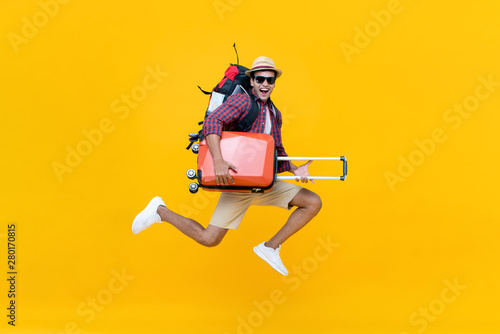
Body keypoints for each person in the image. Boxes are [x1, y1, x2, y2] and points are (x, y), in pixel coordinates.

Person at [132, 56, 322, 275]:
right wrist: (219, 160)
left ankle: (269, 247)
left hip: (264, 183)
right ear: (252, 81)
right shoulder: (243, 101)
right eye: (260, 79)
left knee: (312, 202)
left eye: (270, 80)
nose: (265, 84)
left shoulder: (274, 113)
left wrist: (295, 169)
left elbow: (277, 151)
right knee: (209, 239)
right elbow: (213, 121)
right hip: (238, 183)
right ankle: (160, 210)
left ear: (274, 83)